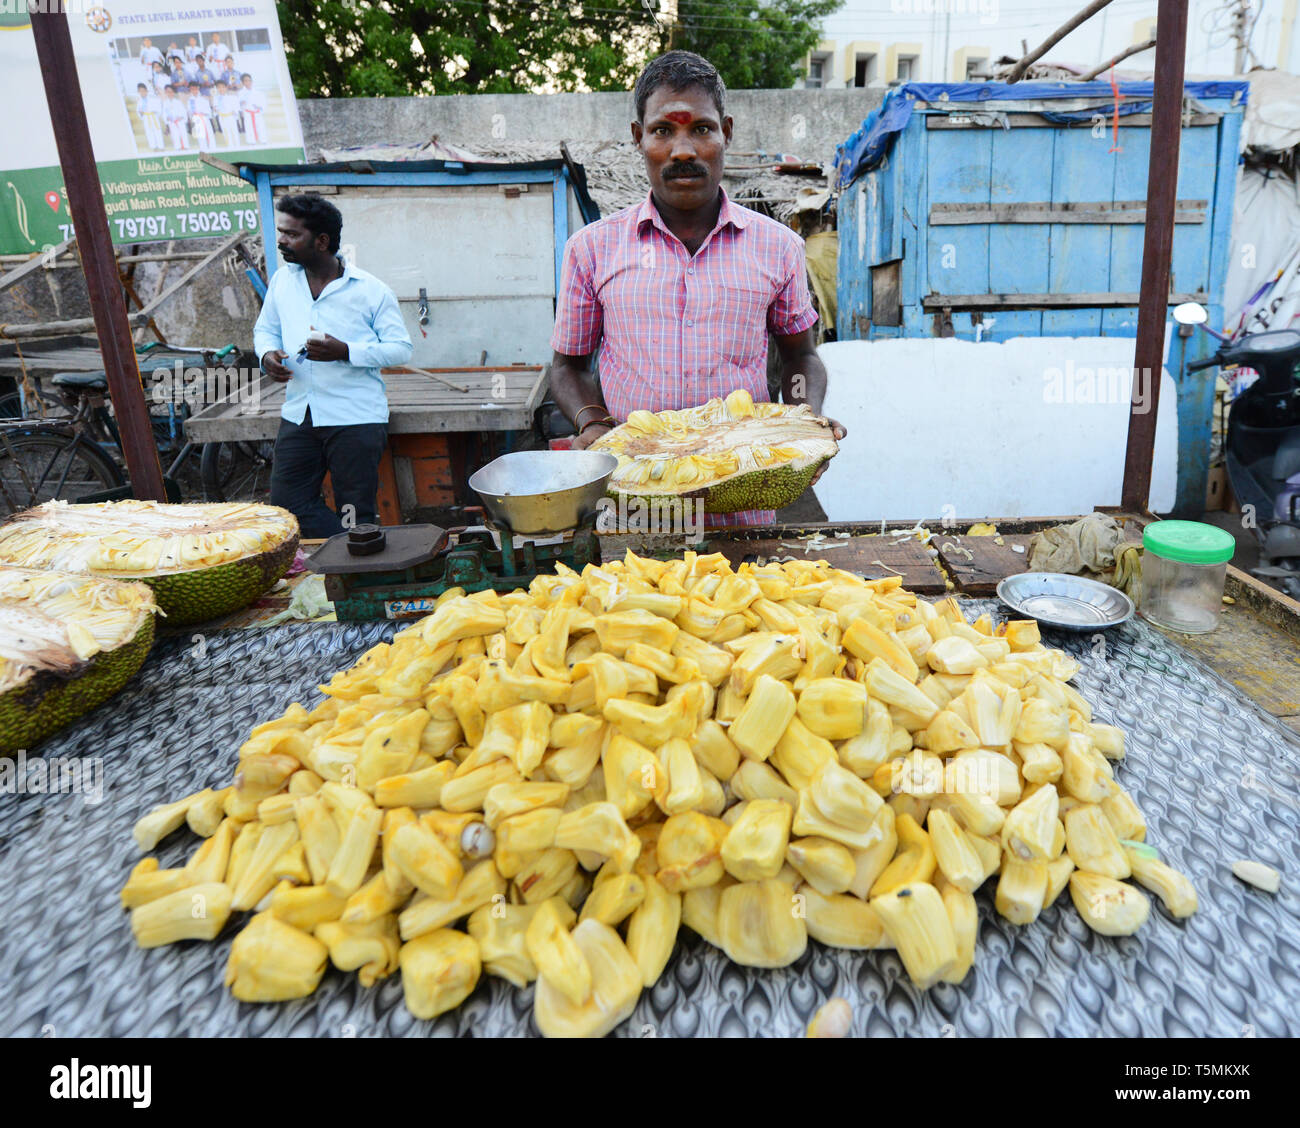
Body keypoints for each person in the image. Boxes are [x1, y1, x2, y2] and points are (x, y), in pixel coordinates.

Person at [550, 51, 845, 527]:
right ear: (638, 138)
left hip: (744, 499)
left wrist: (803, 418)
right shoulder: (592, 249)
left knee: (742, 601)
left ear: (725, 132)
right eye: (663, 130)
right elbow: (567, 365)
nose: (683, 150)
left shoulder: (780, 247)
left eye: (701, 129)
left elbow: (800, 357)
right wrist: (594, 424)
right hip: (636, 505)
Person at [254, 195, 413, 537]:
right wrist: (267, 355)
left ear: (322, 241)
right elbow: (265, 329)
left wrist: (346, 351)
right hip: (300, 413)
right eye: (281, 232)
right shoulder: (283, 281)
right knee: (287, 509)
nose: (281, 240)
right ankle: (352, 547)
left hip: (355, 418)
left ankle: (356, 562)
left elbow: (400, 349)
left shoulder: (371, 291)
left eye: (291, 234)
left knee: (355, 512)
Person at [238, 73, 268, 143]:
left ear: (251, 81)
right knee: (249, 127)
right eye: (245, 81)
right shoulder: (241, 93)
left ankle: (263, 140)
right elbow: (239, 104)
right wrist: (241, 104)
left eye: (249, 80)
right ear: (242, 82)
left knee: (260, 126)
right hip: (248, 113)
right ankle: (251, 141)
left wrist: (259, 106)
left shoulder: (258, 92)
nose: (248, 82)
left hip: (257, 112)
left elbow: (263, 102)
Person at [135, 83, 164, 151]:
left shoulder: (153, 99)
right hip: (146, 118)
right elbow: (138, 111)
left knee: (157, 131)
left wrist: (155, 112)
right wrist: (141, 113)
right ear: (138, 92)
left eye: (143, 91)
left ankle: (161, 146)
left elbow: (158, 108)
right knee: (149, 132)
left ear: (147, 91)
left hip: (153, 116)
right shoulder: (139, 101)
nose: (142, 93)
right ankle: (154, 147)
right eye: (140, 91)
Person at [187, 83, 215, 149]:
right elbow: (189, 111)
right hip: (196, 119)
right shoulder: (190, 100)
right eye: (192, 89)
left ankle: (213, 148)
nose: (194, 91)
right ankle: (203, 149)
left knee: (209, 134)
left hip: (204, 117)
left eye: (196, 89)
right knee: (200, 136)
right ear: (190, 90)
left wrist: (204, 114)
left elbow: (208, 109)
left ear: (198, 89)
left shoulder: (203, 98)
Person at [161, 86, 189, 150]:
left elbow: (184, 112)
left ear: (173, 92)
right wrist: (167, 118)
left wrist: (181, 117)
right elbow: (164, 114)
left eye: (171, 92)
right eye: (168, 92)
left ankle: (185, 147)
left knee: (183, 134)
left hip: (180, 121)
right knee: (175, 136)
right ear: (166, 93)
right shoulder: (165, 103)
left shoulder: (178, 102)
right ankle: (178, 148)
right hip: (172, 122)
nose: (170, 94)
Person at [214, 81, 241, 147]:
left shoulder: (232, 97)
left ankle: (237, 146)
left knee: (234, 132)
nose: (221, 89)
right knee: (226, 133)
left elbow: (237, 107)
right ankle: (230, 147)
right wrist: (215, 109)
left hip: (231, 117)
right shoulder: (216, 98)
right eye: (219, 88)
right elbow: (215, 110)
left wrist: (235, 112)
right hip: (222, 117)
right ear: (217, 89)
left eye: (223, 87)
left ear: (226, 88)